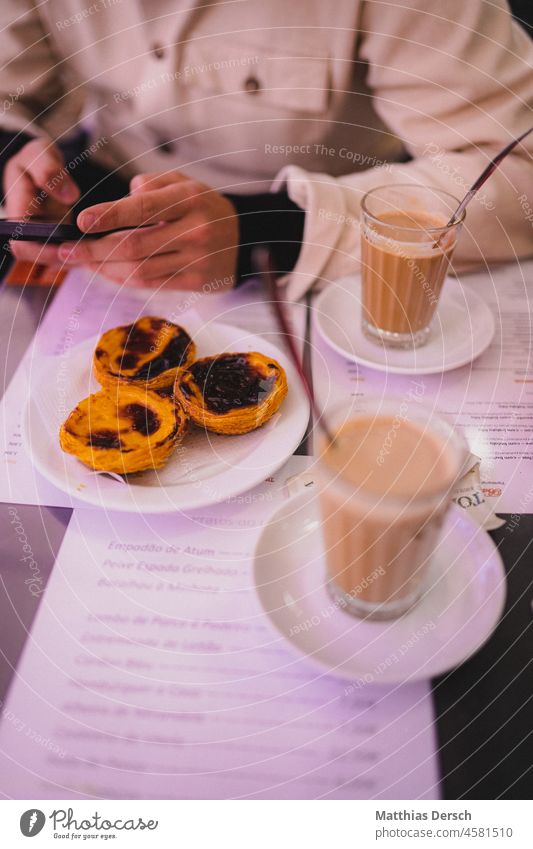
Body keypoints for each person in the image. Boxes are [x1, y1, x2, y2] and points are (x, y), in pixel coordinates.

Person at [0, 0, 531, 300]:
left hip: (323, 232)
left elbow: (517, 169)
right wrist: (12, 152)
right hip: (92, 208)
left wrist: (266, 230)